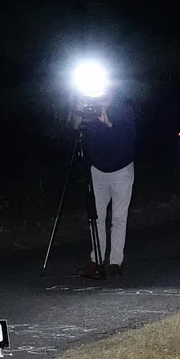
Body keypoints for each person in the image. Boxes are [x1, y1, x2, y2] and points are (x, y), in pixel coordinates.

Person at [69, 91, 136, 278]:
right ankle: (96, 260)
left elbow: (127, 138)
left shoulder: (124, 108)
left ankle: (116, 262)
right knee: (95, 218)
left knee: (118, 218)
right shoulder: (88, 106)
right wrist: (78, 110)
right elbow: (75, 128)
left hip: (122, 169)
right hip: (97, 169)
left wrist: (106, 121)